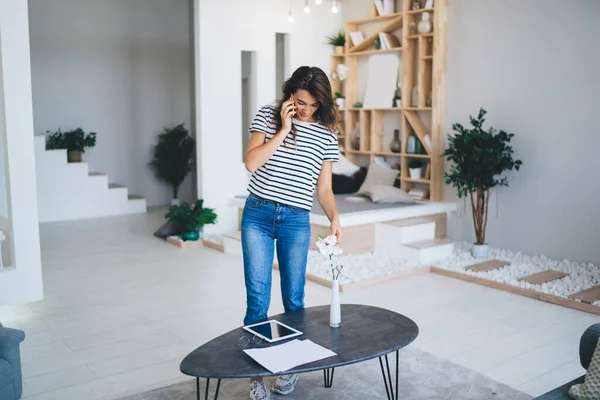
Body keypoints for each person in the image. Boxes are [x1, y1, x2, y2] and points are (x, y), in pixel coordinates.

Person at [242, 66, 342, 400]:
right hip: (257, 213)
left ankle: (289, 366)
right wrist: (285, 129)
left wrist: (334, 217)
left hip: (296, 220)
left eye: (314, 105)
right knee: (258, 298)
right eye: (301, 102)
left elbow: (324, 189)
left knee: (294, 300)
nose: (306, 110)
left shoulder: (327, 134)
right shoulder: (268, 117)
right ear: (289, 94)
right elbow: (251, 163)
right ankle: (256, 375)